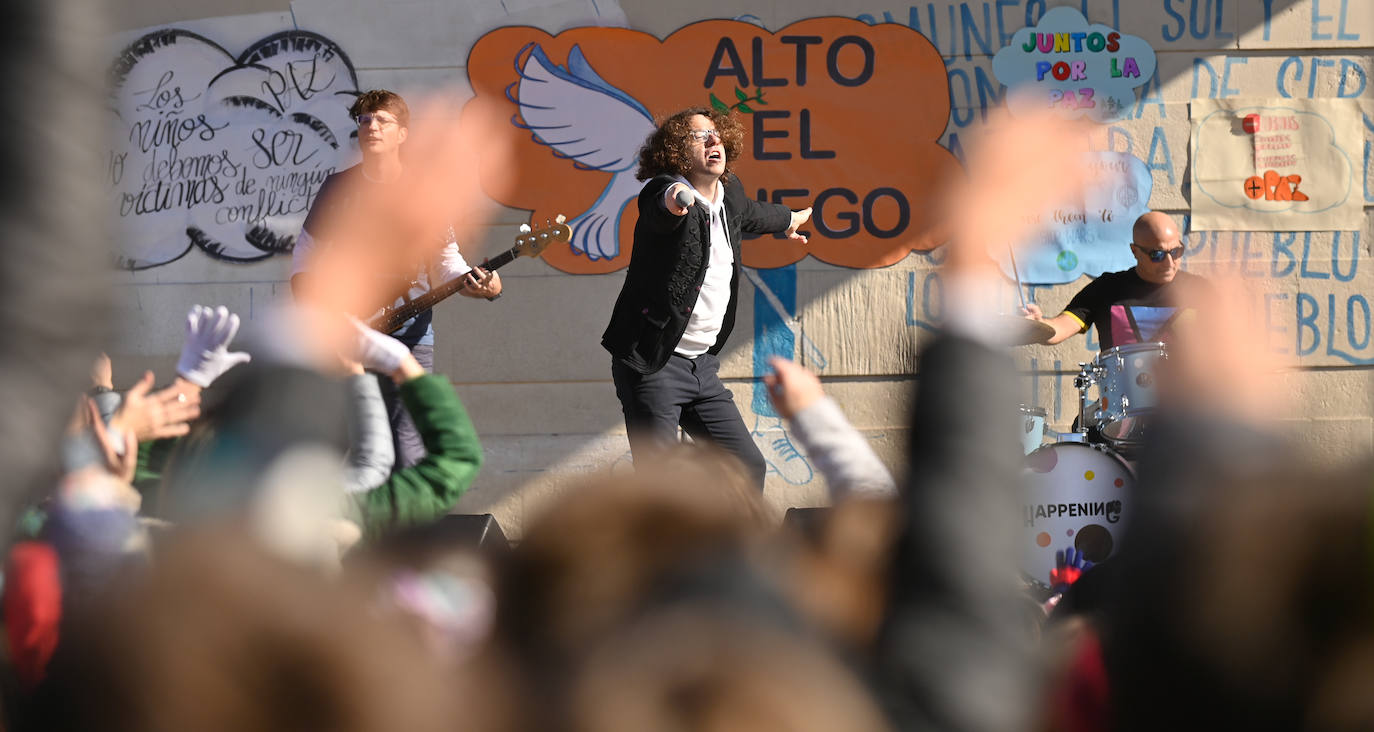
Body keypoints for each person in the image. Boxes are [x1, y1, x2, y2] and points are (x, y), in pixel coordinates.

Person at [601, 107, 812, 489]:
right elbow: (661, 201)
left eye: (716, 134)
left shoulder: (729, 194)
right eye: (699, 137)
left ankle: (739, 549)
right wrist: (679, 196)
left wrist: (789, 219)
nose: (713, 141)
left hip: (703, 369)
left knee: (747, 467)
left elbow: (752, 215)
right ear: (677, 153)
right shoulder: (664, 191)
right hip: (654, 365)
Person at [291, 89, 501, 469]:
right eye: (365, 120)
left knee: (407, 448)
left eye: (382, 120)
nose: (371, 127)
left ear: (403, 134)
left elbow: (446, 259)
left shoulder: (424, 191)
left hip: (411, 340)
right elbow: (306, 258)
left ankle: (404, 526)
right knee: (339, 442)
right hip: (348, 336)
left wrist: (484, 285)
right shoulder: (338, 188)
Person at [1022, 211, 1209, 351]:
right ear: (1135, 251)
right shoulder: (1107, 288)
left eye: (1176, 252)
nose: (1170, 262)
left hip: (1188, 401)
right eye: (1157, 254)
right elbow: (1061, 327)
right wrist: (1037, 325)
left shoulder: (1200, 290)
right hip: (1122, 401)